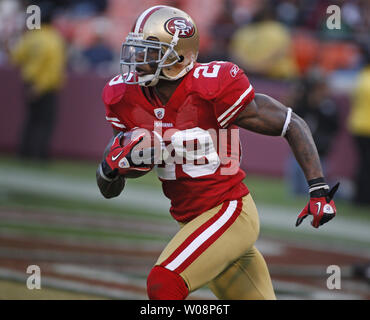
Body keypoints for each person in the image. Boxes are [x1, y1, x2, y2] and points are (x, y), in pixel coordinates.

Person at [96, 5, 339, 300]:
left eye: (150, 51)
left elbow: (292, 123)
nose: (138, 60)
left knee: (164, 283)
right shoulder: (123, 96)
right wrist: (110, 169)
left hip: (230, 211)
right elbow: (112, 186)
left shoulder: (214, 84)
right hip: (191, 220)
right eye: (137, 49)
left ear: (180, 55)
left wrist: (318, 190)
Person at [11, 2, 66, 160]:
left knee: (30, 119)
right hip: (46, 86)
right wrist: (40, 86)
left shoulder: (31, 37)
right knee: (45, 122)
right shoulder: (54, 39)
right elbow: (54, 68)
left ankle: (24, 152)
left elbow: (16, 58)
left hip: (28, 82)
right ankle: (39, 154)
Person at [286, 70, 340, 195]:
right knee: (295, 191)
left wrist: (318, 106)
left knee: (313, 190)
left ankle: (340, 192)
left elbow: (334, 127)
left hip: (319, 153)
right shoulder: (303, 104)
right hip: (298, 152)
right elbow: (289, 115)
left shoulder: (328, 107)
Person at [348, 43, 370, 206]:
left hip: (357, 124)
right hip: (366, 127)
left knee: (363, 164)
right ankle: (362, 198)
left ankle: (360, 197)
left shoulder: (361, 76)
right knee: (366, 166)